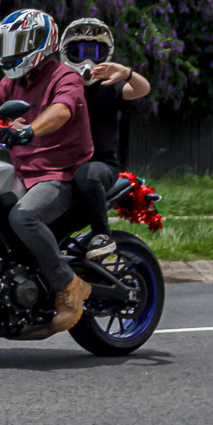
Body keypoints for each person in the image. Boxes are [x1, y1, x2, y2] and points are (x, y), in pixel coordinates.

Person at [0, 8, 94, 332]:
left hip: (61, 176)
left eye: (20, 42)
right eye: (10, 43)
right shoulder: (13, 83)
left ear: (42, 42)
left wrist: (30, 130)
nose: (13, 50)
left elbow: (62, 110)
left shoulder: (65, 76)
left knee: (23, 217)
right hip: (23, 175)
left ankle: (69, 285)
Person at [59, 18, 152, 260]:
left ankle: (103, 234)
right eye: (78, 52)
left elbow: (142, 89)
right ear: (65, 53)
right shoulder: (59, 88)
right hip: (63, 166)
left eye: (95, 52)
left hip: (102, 166)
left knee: (86, 175)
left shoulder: (110, 87)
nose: (87, 60)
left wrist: (127, 73)